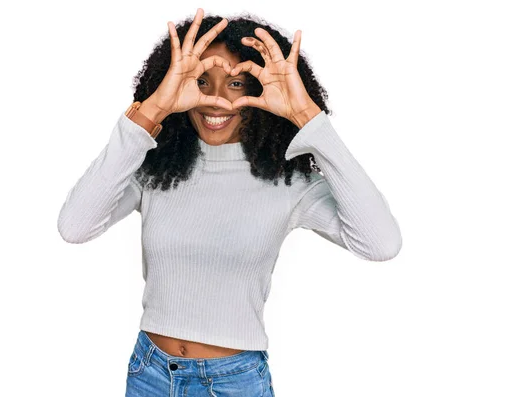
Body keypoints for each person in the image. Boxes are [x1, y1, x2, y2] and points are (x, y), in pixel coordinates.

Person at [57, 8, 402, 397]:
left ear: (258, 91)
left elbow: (381, 243)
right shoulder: (154, 168)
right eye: (201, 81)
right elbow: (75, 226)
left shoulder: (290, 182)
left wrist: (306, 116)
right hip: (150, 373)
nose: (215, 100)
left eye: (236, 83)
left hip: (233, 382)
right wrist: (152, 110)